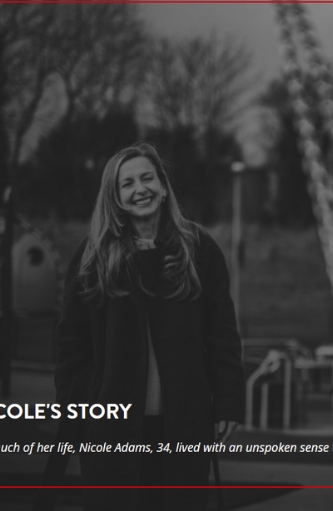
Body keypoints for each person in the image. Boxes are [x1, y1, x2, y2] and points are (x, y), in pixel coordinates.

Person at [53, 142, 244, 511]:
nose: (140, 189)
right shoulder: (94, 255)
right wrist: (74, 413)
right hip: (111, 429)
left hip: (183, 425)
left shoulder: (198, 248)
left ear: (163, 185)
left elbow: (221, 332)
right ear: (115, 196)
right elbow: (70, 344)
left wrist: (228, 403)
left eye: (147, 178)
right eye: (127, 183)